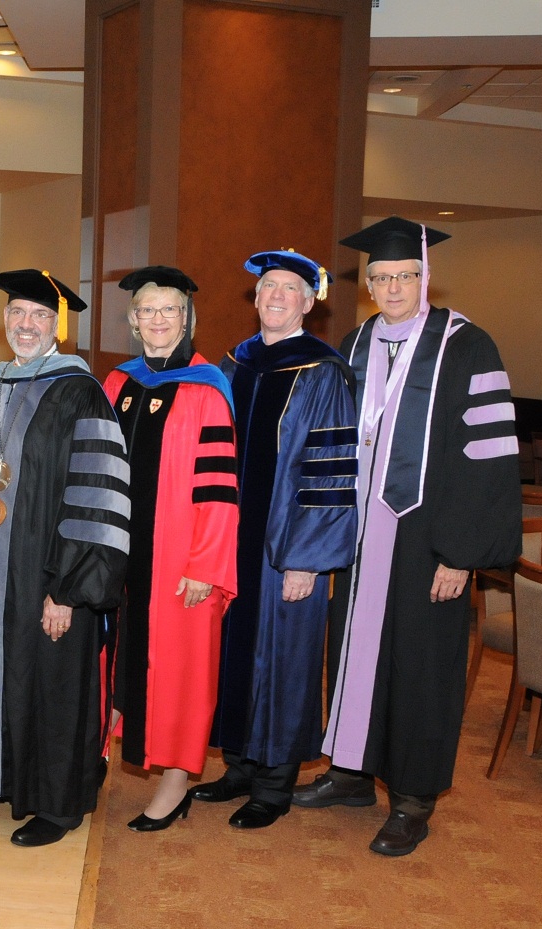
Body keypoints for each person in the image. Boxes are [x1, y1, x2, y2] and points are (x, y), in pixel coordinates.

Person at [296, 216, 520, 856]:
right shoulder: (358, 340)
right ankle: (351, 773)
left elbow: (490, 457)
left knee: (421, 667)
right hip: (363, 539)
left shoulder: (468, 347)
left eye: (407, 275)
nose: (394, 286)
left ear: (427, 278)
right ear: (367, 284)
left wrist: (461, 552)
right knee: (352, 654)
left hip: (427, 539)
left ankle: (415, 800)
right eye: (383, 277)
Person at [0, 269, 129, 847]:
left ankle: (58, 802)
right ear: (5, 322)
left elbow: (98, 497)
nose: (26, 325)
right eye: (18, 313)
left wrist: (69, 588)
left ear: (58, 326)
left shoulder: (81, 392)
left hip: (48, 576)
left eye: (40, 317)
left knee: (51, 682)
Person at [198, 251, 357, 829]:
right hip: (229, 545)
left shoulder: (322, 372)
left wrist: (307, 561)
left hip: (285, 550)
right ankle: (238, 764)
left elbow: (331, 473)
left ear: (309, 303)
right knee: (230, 654)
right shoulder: (233, 364)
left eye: (290, 288)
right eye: (268, 285)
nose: (276, 295)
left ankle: (275, 782)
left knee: (284, 659)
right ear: (256, 296)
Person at [103, 266, 238, 833]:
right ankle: (110, 752)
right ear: (133, 322)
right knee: (117, 660)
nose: (158, 320)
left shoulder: (208, 389)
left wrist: (207, 564)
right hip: (121, 560)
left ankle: (178, 780)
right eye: (147, 311)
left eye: (170, 310)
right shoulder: (116, 384)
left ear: (187, 320)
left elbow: (220, 488)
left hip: (180, 562)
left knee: (181, 671)